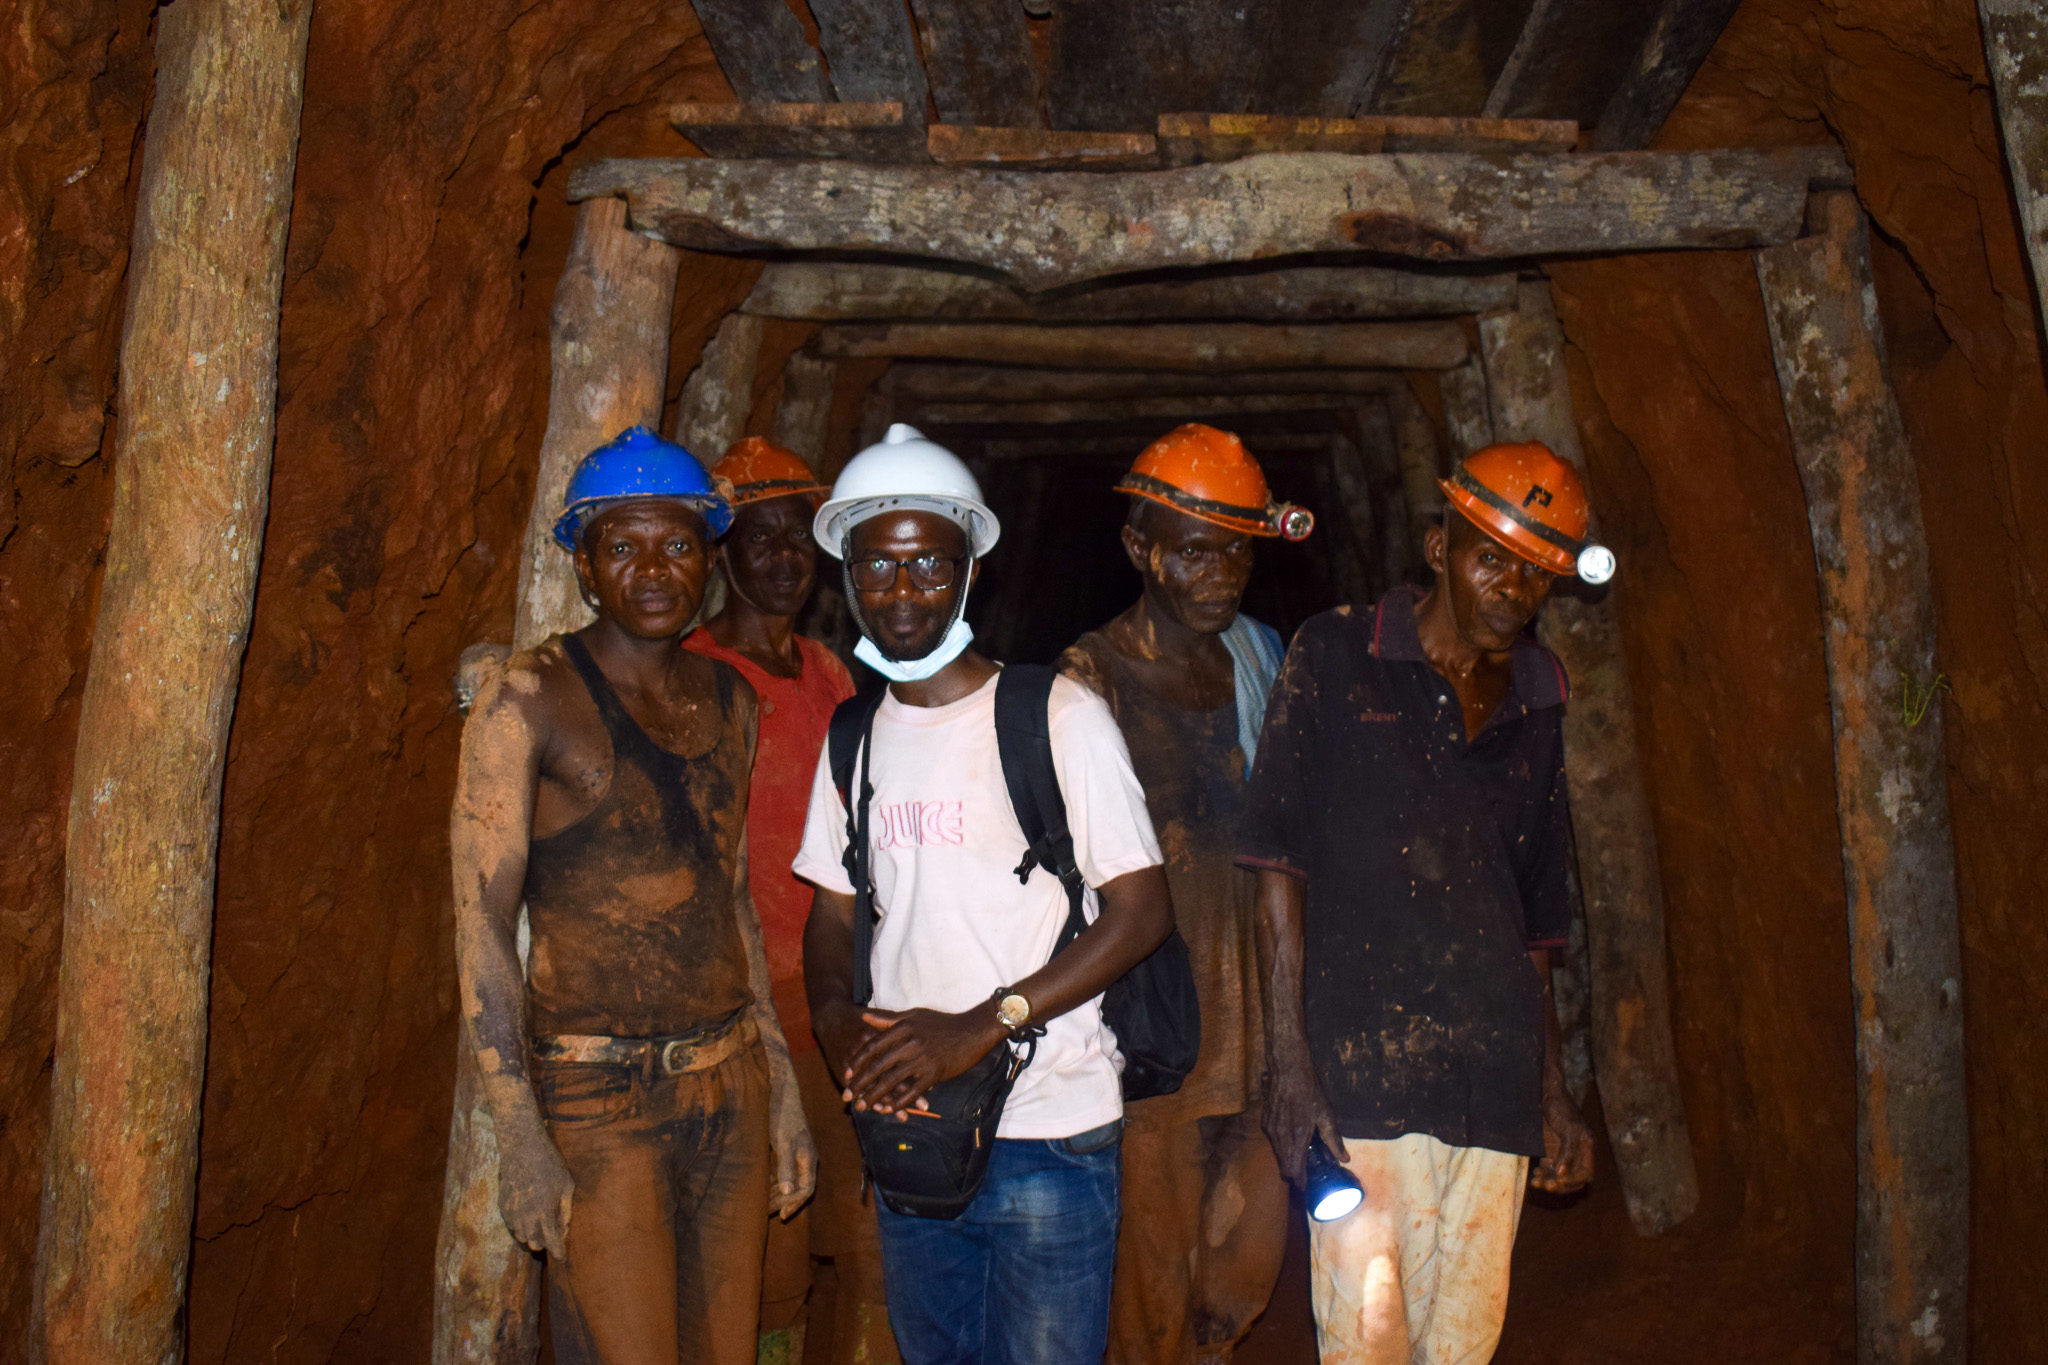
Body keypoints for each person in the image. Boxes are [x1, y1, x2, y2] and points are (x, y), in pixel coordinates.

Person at [792, 424, 1176, 1365]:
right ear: (849, 576)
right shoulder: (853, 738)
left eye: (929, 566)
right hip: (913, 1124)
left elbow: (1142, 910)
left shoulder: (1055, 715)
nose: (903, 593)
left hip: (1047, 1125)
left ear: (969, 571)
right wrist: (836, 1016)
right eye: (879, 568)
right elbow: (834, 909)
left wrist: (985, 1021)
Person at [451, 426, 815, 1365]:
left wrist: (778, 1091)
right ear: (585, 564)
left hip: (728, 1080)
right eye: (623, 546)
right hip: (599, 1097)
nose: (653, 568)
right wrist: (521, 1134)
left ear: (707, 556)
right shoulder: (526, 697)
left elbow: (731, 903)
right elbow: (482, 923)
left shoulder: (731, 703)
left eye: (677, 543)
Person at [1242, 442, 1600, 1365]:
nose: (1513, 588)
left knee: (1463, 1349)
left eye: (1536, 573)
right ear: (1440, 547)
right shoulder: (1335, 652)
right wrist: (1288, 1064)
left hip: (1495, 1083)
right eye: (1493, 557)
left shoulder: (1538, 693)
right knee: (1368, 1344)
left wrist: (1551, 1089)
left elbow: (1538, 911)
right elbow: (1275, 864)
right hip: (1363, 1080)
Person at [1055, 425, 1305, 1365]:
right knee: (1148, 1307)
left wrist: (1294, 1030)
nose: (1223, 570)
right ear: (1138, 549)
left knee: (1229, 1296)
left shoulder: (1258, 661)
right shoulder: (1089, 684)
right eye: (1197, 548)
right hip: (1149, 1048)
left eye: (1239, 547)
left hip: (1255, 1037)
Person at [679, 437, 891, 1365]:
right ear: (722, 551)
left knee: (878, 1242)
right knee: (770, 1262)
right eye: (759, 539)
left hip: (839, 1008)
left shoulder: (833, 676)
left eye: (798, 539)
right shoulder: (686, 674)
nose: (781, 558)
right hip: (740, 1020)